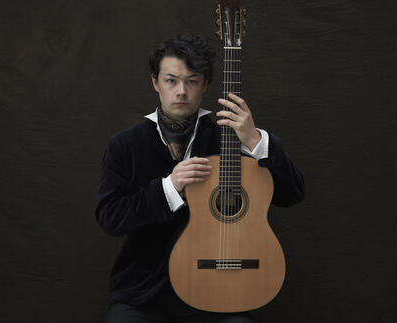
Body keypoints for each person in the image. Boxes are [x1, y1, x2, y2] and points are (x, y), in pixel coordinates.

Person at [96, 34, 305, 323]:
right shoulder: (125, 145)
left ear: (205, 84)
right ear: (155, 82)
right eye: (171, 80)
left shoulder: (230, 137)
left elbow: (292, 193)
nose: (181, 91)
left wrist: (257, 141)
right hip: (145, 294)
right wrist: (170, 187)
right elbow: (110, 217)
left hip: (220, 291)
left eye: (191, 81)